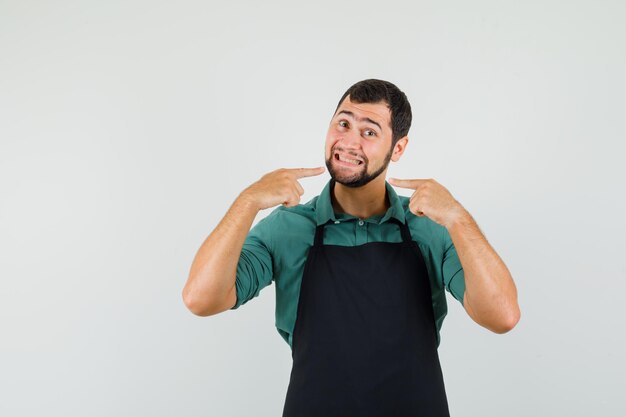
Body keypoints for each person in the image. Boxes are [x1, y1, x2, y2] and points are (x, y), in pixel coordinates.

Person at [182, 79, 521, 416]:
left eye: (369, 132)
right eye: (343, 123)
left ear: (398, 149)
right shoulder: (288, 228)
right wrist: (249, 200)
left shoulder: (430, 228)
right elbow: (201, 298)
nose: (349, 141)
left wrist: (458, 218)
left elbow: (502, 315)